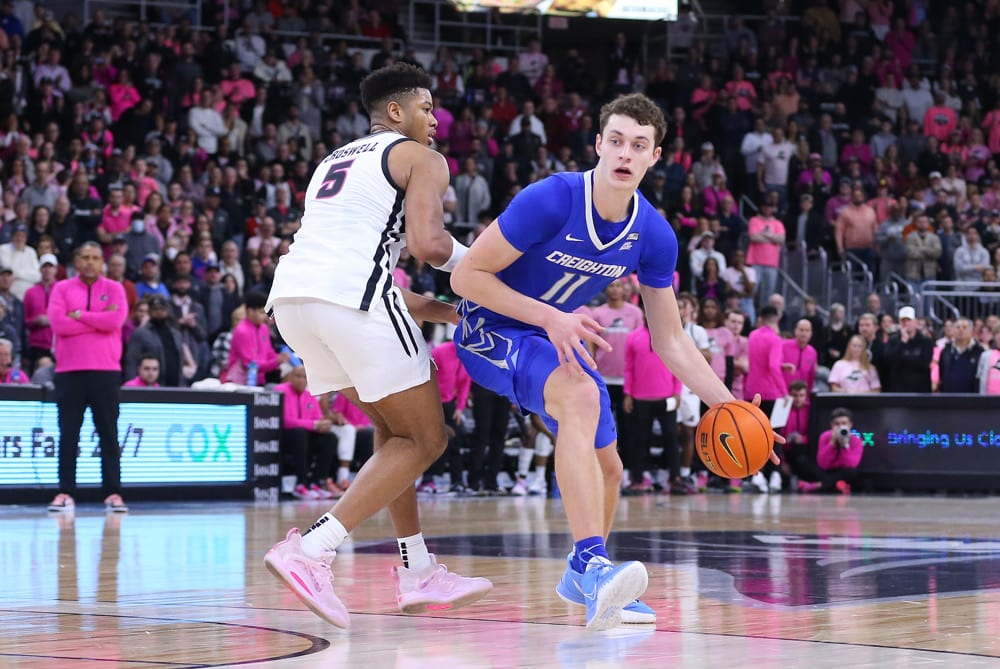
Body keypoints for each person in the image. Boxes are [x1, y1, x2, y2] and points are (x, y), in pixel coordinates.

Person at [451, 93, 778, 628]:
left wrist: (732, 406)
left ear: (655, 157)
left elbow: (670, 340)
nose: (626, 154)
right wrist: (552, 317)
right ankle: (591, 562)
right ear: (599, 144)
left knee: (610, 466)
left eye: (640, 146)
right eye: (618, 141)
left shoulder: (654, 235)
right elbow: (466, 278)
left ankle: (583, 584)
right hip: (490, 329)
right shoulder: (551, 199)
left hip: (554, 338)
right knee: (580, 396)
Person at [262, 64, 493, 629]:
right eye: (426, 107)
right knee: (427, 437)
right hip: (351, 304)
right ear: (397, 111)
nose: (435, 120)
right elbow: (429, 245)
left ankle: (417, 571)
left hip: (293, 304)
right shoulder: (422, 158)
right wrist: (489, 277)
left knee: (395, 436)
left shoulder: (334, 161)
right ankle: (313, 548)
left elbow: (367, 271)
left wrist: (447, 309)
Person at [46, 242, 128, 513]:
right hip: (69, 372)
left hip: (105, 372)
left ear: (102, 263)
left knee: (108, 434)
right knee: (68, 434)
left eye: (95, 257)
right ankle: (65, 492)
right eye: (86, 257)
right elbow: (58, 324)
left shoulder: (115, 288)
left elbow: (115, 321)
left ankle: (113, 493)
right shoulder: (61, 288)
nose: (91, 262)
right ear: (76, 262)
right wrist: (97, 321)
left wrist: (80, 316)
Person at [275, 364, 341, 500]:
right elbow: (285, 421)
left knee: (330, 437)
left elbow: (318, 419)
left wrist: (324, 424)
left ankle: (317, 481)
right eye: (297, 376)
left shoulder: (309, 395)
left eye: (304, 377)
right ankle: (301, 483)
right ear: (290, 377)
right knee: (300, 433)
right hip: (285, 436)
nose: (301, 380)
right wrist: (314, 425)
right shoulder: (280, 390)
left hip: (305, 436)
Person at [744, 304, 786, 493]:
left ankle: (757, 474)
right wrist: (784, 392)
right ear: (776, 319)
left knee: (756, 435)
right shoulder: (776, 339)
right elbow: (773, 366)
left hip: (752, 391)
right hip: (773, 393)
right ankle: (775, 476)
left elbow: (759, 364)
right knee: (776, 434)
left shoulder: (752, 336)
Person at [799, 407, 862, 494]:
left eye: (844, 423)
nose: (840, 427)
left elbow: (851, 464)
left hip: (842, 472)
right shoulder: (825, 436)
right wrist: (832, 443)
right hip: (826, 471)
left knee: (852, 472)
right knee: (803, 462)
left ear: (850, 425)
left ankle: (818, 486)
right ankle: (836, 485)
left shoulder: (856, 440)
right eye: (837, 424)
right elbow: (822, 463)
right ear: (832, 425)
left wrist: (845, 446)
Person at [781, 319, 818, 392]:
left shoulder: (812, 352)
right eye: (801, 330)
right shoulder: (783, 346)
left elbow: (811, 377)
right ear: (795, 331)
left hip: (802, 397)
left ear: (811, 333)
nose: (804, 333)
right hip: (783, 393)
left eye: (807, 330)